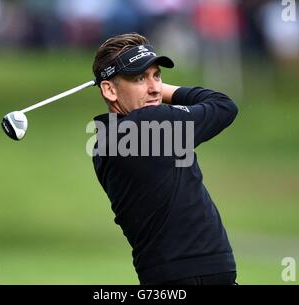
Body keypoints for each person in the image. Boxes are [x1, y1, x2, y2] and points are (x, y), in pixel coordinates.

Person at [91, 33, 238, 285]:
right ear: (109, 89)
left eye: (157, 75)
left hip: (172, 276)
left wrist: (145, 88)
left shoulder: (105, 139)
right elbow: (223, 105)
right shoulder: (148, 123)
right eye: (139, 78)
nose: (155, 87)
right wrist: (162, 92)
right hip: (187, 277)